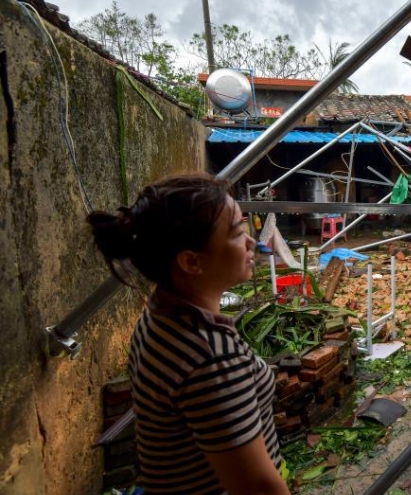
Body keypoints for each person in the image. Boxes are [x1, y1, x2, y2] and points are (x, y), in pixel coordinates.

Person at [88, 173, 290, 495]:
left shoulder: (160, 312)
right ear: (192, 261)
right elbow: (257, 487)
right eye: (238, 233)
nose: (252, 242)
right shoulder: (211, 359)